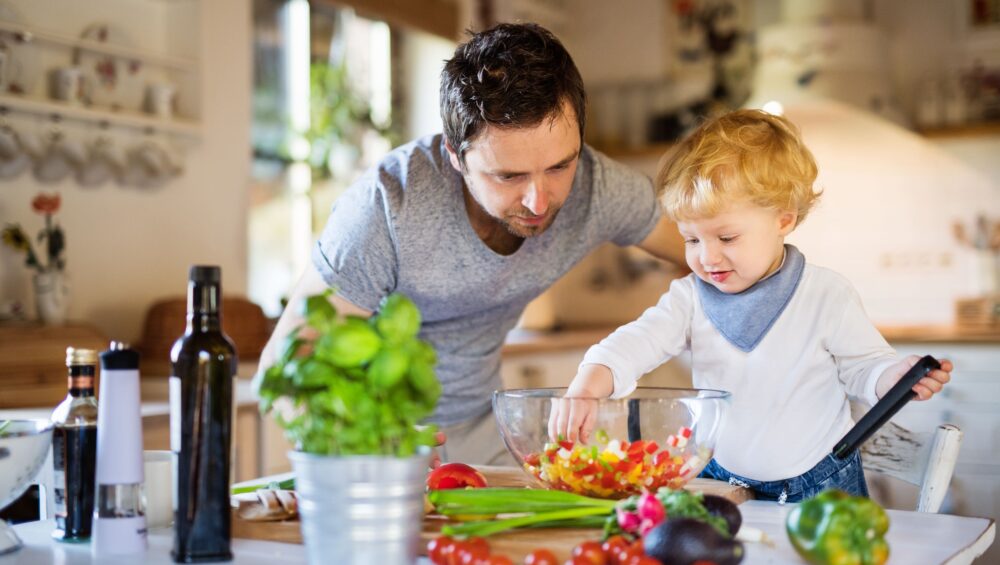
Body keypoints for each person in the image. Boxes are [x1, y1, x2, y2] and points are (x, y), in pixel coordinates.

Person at [254, 22, 687, 465]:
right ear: (455, 156)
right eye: (509, 176)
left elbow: (711, 256)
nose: (539, 200)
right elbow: (284, 371)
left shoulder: (598, 188)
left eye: (560, 166)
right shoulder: (387, 208)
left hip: (488, 436)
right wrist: (356, 454)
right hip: (375, 442)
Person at [549, 109, 952, 502]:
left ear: (783, 220)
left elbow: (866, 369)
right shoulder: (690, 298)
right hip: (722, 480)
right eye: (692, 240)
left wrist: (896, 377)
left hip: (818, 484)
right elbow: (636, 342)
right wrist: (590, 382)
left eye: (726, 238)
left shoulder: (826, 294)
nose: (707, 258)